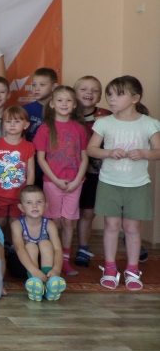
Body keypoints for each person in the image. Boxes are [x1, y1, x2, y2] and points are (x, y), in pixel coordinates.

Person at [87, 76, 160, 291]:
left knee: (132, 227)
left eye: (119, 94)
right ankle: (110, 268)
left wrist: (145, 153)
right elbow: (91, 149)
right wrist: (109, 152)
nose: (111, 99)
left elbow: (158, 151)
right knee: (111, 226)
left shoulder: (149, 123)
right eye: (109, 94)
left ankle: (132, 269)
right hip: (109, 183)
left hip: (137, 185)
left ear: (135, 98)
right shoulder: (104, 122)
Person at [33, 86, 89, 276]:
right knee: (54, 221)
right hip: (52, 182)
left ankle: (64, 260)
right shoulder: (45, 129)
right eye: (60, 100)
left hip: (75, 183)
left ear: (74, 105)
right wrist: (56, 180)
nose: (64, 104)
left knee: (68, 222)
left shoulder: (79, 128)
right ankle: (50, 259)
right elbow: (41, 159)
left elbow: (84, 157)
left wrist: (77, 180)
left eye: (68, 100)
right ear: (52, 104)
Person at [73, 76, 111, 267]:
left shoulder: (107, 116)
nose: (89, 93)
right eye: (84, 89)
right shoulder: (67, 113)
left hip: (97, 173)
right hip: (70, 172)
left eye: (95, 90)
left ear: (100, 96)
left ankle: (83, 248)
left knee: (88, 212)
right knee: (65, 214)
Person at [0, 106, 35, 242]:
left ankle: (13, 246)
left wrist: (27, 194)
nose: (12, 125)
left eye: (17, 121)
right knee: (0, 222)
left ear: (26, 125)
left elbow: (30, 171)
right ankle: (0, 245)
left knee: (15, 222)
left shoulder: (29, 146)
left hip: (18, 195)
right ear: (2, 124)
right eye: (8, 121)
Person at [11, 185, 66, 301]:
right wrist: (33, 270)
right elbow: (19, 249)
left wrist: (56, 269)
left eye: (39, 202)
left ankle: (49, 283)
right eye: (29, 202)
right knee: (31, 246)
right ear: (21, 207)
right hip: (22, 266)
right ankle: (34, 281)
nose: (34, 205)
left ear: (45, 206)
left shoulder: (50, 224)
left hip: (43, 265)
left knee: (45, 243)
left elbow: (58, 249)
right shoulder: (17, 225)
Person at [23, 68, 58, 142]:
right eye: (34, 85)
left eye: (42, 85)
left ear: (54, 87)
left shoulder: (60, 110)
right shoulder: (24, 109)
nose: (36, 88)